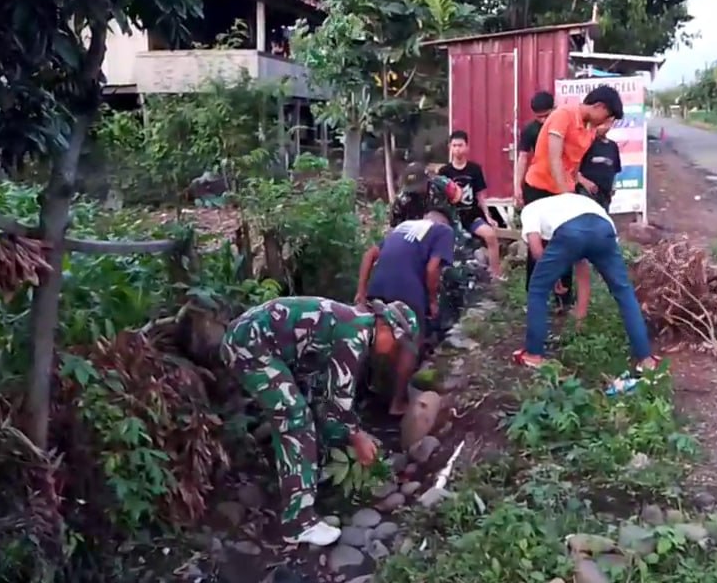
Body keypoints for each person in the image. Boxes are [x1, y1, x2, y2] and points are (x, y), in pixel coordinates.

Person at [216, 296, 417, 547]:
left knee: (309, 404)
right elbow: (340, 401)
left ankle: (307, 474)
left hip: (256, 341)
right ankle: (298, 523)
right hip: (249, 346)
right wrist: (358, 436)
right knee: (296, 420)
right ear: (386, 327)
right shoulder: (355, 336)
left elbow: (328, 398)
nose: (394, 353)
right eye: (397, 345)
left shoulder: (355, 323)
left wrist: (346, 431)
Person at [512, 193, 658, 372]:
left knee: (538, 289)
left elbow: (535, 247)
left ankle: (533, 354)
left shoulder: (530, 210)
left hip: (570, 232)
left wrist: (550, 277)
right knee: (623, 291)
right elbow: (582, 269)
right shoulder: (567, 204)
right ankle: (646, 359)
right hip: (603, 228)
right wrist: (579, 317)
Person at [521, 85, 625, 308]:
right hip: (540, 188)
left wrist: (574, 187)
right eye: (606, 116)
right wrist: (565, 198)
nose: (605, 122)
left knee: (567, 243)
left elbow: (573, 164)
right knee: (538, 244)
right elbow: (555, 158)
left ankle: (563, 299)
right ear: (599, 106)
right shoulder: (563, 115)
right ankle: (535, 298)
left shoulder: (588, 129)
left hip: (564, 189)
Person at [355, 209, 456, 415]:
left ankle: (362, 394)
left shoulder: (403, 227)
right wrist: (432, 301)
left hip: (378, 287)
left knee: (373, 336)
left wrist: (361, 292)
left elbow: (369, 255)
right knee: (410, 343)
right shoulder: (444, 230)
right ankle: (397, 402)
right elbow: (432, 269)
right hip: (408, 290)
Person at [439, 131, 504, 279]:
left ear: (467, 147)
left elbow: (481, 196)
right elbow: (440, 198)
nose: (457, 149)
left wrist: (488, 216)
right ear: (450, 147)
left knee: (490, 235)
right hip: (453, 217)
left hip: (472, 216)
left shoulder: (474, 169)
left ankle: (496, 274)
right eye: (454, 146)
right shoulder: (444, 172)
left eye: (460, 145)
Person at [514, 91, 555, 207]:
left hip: (559, 182)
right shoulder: (530, 129)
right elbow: (523, 157)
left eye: (546, 116)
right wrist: (517, 186)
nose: (543, 120)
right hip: (537, 183)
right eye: (539, 117)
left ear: (554, 109)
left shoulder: (564, 126)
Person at [576, 119, 621, 211]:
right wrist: (585, 182)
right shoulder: (585, 143)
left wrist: (613, 186)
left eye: (607, 123)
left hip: (605, 194)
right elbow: (572, 168)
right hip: (586, 193)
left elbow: (615, 169)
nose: (603, 127)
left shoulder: (612, 146)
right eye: (600, 124)